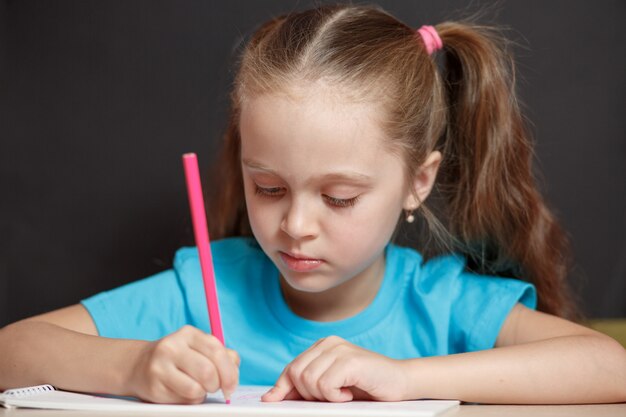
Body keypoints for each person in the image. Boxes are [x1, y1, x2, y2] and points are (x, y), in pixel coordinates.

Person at [1, 3, 625, 406]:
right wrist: (135, 366)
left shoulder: (439, 306)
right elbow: (10, 352)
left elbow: (609, 366)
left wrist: (407, 380)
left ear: (418, 182)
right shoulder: (207, 289)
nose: (295, 226)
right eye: (268, 188)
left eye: (339, 197)